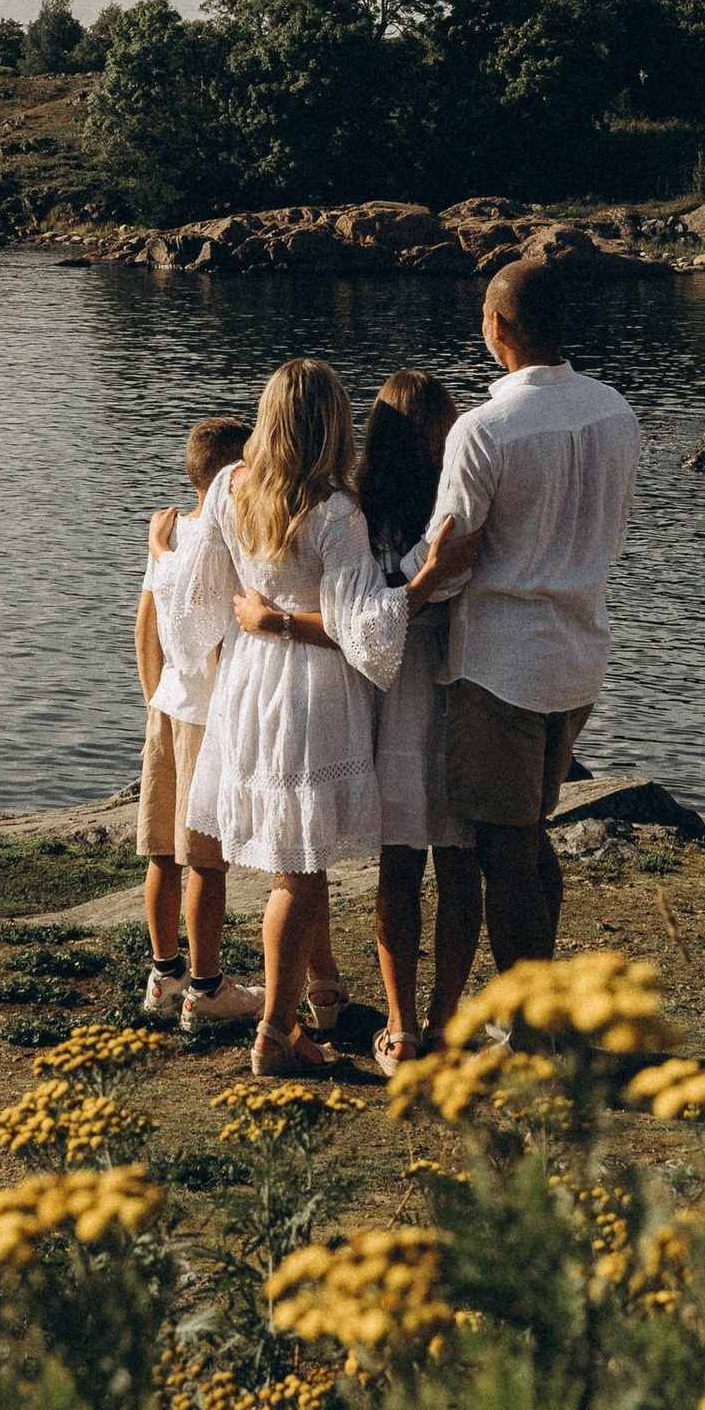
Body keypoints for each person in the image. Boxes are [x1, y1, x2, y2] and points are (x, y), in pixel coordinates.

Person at [163, 356, 443, 1084]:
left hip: (248, 683)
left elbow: (202, 595)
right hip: (310, 693)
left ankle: (290, 1024)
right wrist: (427, 575)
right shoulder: (336, 514)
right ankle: (274, 1034)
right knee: (298, 870)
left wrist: (260, 616)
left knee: (300, 864)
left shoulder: (229, 488)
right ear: (333, 424)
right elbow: (365, 629)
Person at [422, 254, 642, 972]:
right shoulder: (616, 412)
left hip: (501, 667)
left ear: (496, 326)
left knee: (505, 852)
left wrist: (395, 592)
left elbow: (451, 556)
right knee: (529, 833)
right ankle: (543, 1000)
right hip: (579, 653)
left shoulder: (483, 429)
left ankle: (526, 1018)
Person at [354, 370, 482, 1071]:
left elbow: (370, 602)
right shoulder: (461, 504)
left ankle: (402, 1027)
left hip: (394, 698)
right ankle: (444, 1020)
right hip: (457, 684)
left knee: (399, 867)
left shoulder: (361, 509)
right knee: (459, 866)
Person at [136, 415, 262, 1039]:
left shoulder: (171, 534)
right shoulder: (226, 539)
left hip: (165, 706)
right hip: (206, 717)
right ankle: (207, 988)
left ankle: (165, 974)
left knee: (163, 851)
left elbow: (147, 625)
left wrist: (152, 698)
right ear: (231, 476)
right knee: (205, 860)